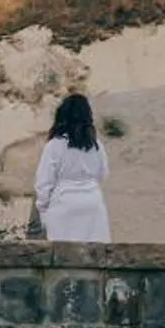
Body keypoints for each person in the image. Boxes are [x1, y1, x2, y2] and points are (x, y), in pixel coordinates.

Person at [32, 93, 111, 243]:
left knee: (63, 257)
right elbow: (103, 173)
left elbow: (44, 181)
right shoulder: (96, 145)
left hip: (64, 203)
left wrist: (43, 208)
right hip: (93, 203)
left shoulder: (55, 145)